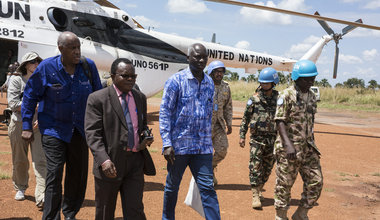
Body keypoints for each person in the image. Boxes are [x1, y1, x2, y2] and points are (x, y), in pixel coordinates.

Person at [21, 31, 102, 220]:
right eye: (72, 48)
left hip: (80, 131)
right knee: (54, 173)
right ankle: (51, 216)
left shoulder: (87, 67)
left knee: (78, 175)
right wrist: (26, 125)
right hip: (53, 129)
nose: (77, 51)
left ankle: (70, 213)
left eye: (78, 47)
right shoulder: (47, 68)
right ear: (61, 49)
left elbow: (98, 96)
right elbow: (30, 95)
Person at [85, 58, 155, 220]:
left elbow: (142, 125)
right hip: (110, 164)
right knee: (105, 211)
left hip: (135, 162)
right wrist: (104, 160)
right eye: (125, 76)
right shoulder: (97, 99)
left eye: (133, 76)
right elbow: (92, 133)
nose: (130, 79)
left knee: (135, 210)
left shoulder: (139, 97)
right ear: (112, 76)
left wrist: (145, 137)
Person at [159, 43, 221, 220]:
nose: (201, 60)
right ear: (188, 58)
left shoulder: (209, 83)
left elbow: (208, 114)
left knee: (208, 188)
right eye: (197, 56)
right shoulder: (175, 81)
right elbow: (165, 112)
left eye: (204, 57)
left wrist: (210, 142)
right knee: (172, 187)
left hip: (202, 148)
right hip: (179, 147)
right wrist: (167, 143)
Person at [273, 60, 323, 220]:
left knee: (316, 181)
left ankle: (301, 213)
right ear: (296, 77)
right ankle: (281, 216)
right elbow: (279, 120)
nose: (310, 82)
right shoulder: (286, 95)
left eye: (312, 78)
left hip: (308, 148)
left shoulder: (312, 96)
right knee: (284, 185)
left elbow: (310, 121)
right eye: (306, 79)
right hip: (289, 148)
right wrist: (288, 145)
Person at [7, 52, 46, 208]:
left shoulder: (43, 80)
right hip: (19, 125)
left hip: (38, 125)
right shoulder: (17, 80)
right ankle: (21, 188)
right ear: (25, 65)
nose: (36, 63)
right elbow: (13, 104)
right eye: (32, 61)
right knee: (20, 159)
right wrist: (35, 105)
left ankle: (41, 195)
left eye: (38, 61)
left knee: (41, 160)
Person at [239, 67, 279, 209]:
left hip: (273, 140)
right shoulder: (254, 99)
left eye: (267, 83)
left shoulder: (279, 100)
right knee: (255, 166)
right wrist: (242, 135)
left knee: (267, 168)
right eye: (262, 83)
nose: (264, 85)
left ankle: (260, 186)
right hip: (257, 139)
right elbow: (246, 118)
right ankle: (255, 194)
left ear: (274, 83)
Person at [207, 60, 232, 186]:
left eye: (221, 72)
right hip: (204, 125)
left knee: (222, 149)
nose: (219, 74)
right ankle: (206, 177)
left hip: (219, 124)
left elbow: (228, 106)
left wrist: (229, 123)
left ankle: (210, 167)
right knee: (204, 152)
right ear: (211, 72)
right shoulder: (204, 85)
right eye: (216, 71)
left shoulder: (226, 87)